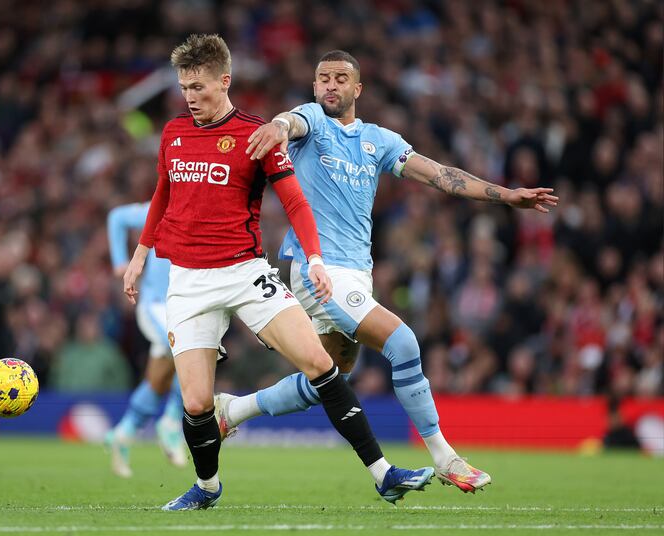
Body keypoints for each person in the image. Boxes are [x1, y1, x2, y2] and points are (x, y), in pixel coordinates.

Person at [215, 50, 558, 494]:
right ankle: (446, 458)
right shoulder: (312, 122)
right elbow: (289, 122)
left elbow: (440, 175)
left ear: (357, 88)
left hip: (358, 274)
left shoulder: (378, 140)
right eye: (323, 78)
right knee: (403, 342)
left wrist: (506, 195)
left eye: (341, 78)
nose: (331, 85)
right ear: (314, 87)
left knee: (329, 378)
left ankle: (232, 411)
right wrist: (277, 127)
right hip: (319, 271)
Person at [123, 34, 434, 511]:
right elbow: (163, 192)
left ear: (224, 81)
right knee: (197, 403)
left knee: (321, 365)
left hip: (246, 273)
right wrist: (141, 253)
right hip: (187, 280)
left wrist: (315, 258)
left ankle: (383, 473)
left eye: (198, 87)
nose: (190, 97)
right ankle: (207, 488)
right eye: (184, 88)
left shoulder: (257, 134)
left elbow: (295, 201)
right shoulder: (173, 133)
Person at [104, 202, 187, 478]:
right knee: (189, 351)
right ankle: (172, 421)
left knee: (159, 379)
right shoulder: (164, 206)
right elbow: (117, 217)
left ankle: (123, 433)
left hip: (184, 306)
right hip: (156, 304)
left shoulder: (207, 206)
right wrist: (120, 261)